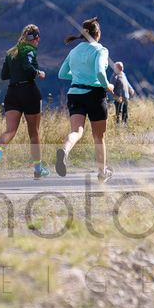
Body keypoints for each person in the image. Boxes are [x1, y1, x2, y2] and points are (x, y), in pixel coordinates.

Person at [56, 17, 116, 183]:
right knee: (99, 137)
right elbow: (99, 72)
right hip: (95, 94)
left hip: (75, 93)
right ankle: (102, 172)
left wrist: (78, 76)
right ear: (98, 33)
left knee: (77, 131)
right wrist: (107, 85)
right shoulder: (100, 50)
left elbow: (62, 74)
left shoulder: (74, 51)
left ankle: (65, 151)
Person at [0, 24, 48, 180]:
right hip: (29, 92)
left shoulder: (11, 52)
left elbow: (4, 75)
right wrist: (38, 73)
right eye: (38, 39)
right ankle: (38, 171)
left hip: (12, 93)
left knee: (10, 131)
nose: (38, 42)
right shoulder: (30, 50)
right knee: (34, 133)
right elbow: (27, 66)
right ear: (34, 39)